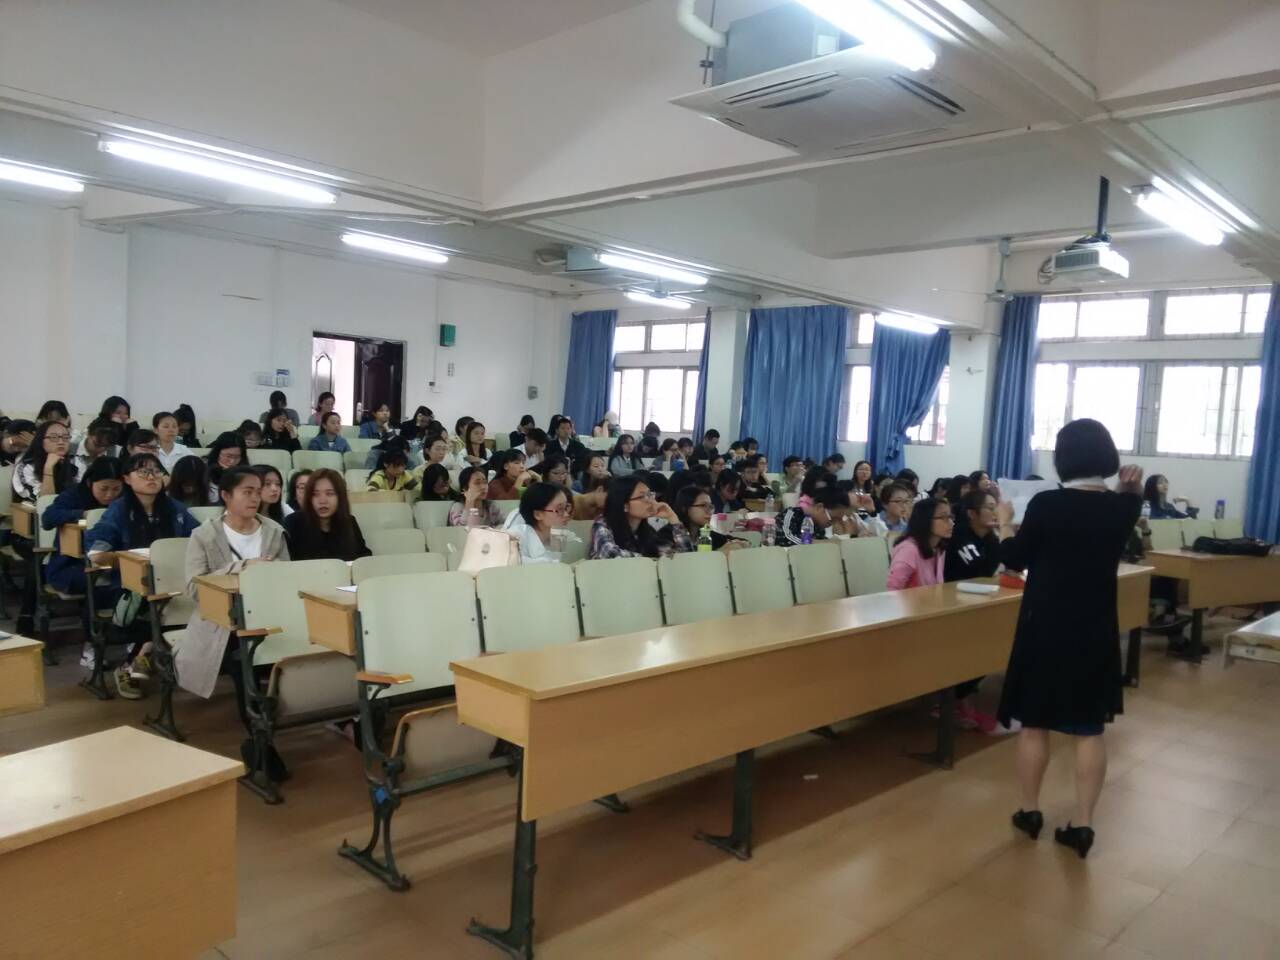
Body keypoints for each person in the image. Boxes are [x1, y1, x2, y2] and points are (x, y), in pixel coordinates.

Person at [998, 418, 1143, 859]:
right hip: (1095, 627)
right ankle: (1083, 825)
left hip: (1045, 625)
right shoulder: (1121, 508)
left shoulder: (1046, 504)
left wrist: (1004, 523)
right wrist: (1131, 488)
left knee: (1035, 723)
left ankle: (1029, 811)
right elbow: (1129, 498)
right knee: (1088, 729)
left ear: (1063, 459)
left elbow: (1014, 559)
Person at [182, 465, 289, 731]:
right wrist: (242, 567)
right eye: (247, 492)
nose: (255, 498)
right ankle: (256, 728)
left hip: (269, 613)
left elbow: (287, 578)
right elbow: (194, 587)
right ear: (226, 495)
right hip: (222, 621)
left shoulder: (274, 531)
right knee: (244, 654)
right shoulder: (204, 535)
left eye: (258, 492)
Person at [87, 452, 200, 697]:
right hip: (130, 588)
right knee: (160, 603)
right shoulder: (118, 510)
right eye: (143, 472)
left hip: (174, 582)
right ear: (127, 479)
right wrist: (129, 561)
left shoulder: (175, 508)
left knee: (194, 599)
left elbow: (200, 539)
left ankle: (139, 657)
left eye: (156, 471)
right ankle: (142, 657)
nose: (151, 477)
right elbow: (98, 553)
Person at [42, 457, 124, 602]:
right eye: (103, 489)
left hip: (112, 562)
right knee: (109, 585)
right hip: (71, 565)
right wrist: (82, 514)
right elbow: (47, 519)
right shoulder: (74, 495)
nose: (110, 495)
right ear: (89, 483)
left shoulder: (125, 500)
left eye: (116, 489)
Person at [283, 469, 370, 561]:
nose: (322, 501)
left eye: (330, 494)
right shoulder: (293, 522)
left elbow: (363, 556)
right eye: (315, 494)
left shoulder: (349, 521)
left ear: (340, 497)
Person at [588, 475, 682, 559]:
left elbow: (678, 556)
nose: (651, 501)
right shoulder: (602, 524)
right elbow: (610, 554)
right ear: (624, 505)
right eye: (642, 497)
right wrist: (649, 560)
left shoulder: (646, 530)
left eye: (649, 494)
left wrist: (674, 520)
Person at [886, 498, 952, 589]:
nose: (951, 523)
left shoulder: (938, 548)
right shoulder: (909, 550)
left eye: (950, 517)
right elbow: (893, 587)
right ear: (925, 520)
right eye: (943, 517)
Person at [12, 419, 78, 503]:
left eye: (66, 437)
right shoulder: (26, 466)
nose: (61, 442)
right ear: (40, 440)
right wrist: (48, 468)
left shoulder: (74, 462)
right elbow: (45, 502)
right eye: (54, 437)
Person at [505, 482, 572, 564]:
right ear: (538, 514)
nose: (566, 514)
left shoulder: (557, 537)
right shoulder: (515, 538)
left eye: (566, 507)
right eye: (560, 509)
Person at [669, 486, 747, 552]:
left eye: (710, 506)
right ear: (685, 508)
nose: (709, 511)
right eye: (703, 505)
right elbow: (688, 559)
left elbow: (744, 542)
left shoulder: (706, 534)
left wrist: (736, 544)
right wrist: (718, 552)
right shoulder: (668, 536)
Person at [205, 431, 248, 504]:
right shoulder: (204, 467)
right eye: (228, 456)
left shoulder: (247, 473)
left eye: (237, 457)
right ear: (217, 453)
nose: (232, 461)